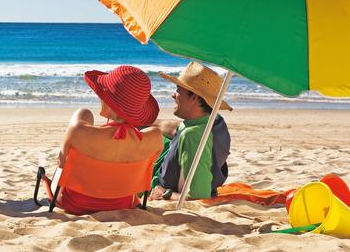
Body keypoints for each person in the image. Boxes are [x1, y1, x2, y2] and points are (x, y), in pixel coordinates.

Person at [55, 65, 164, 214]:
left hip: (74, 203)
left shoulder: (78, 131)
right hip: (124, 203)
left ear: (107, 99)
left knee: (83, 113)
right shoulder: (155, 138)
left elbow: (61, 165)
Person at [149, 61, 232, 201]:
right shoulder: (214, 121)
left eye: (178, 89)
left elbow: (198, 196)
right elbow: (175, 128)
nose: (173, 95)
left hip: (158, 186)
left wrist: (164, 194)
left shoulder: (193, 137)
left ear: (193, 97)